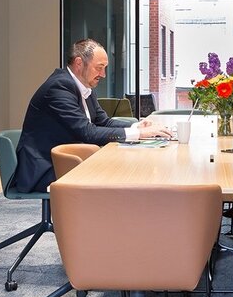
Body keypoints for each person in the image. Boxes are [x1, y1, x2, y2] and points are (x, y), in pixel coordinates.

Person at [13, 38, 170, 193]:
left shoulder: (85, 88)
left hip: (70, 159)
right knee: (118, 173)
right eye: (99, 68)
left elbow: (104, 122)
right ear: (79, 63)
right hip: (46, 168)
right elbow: (88, 133)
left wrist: (137, 126)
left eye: (105, 68)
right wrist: (139, 134)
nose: (103, 75)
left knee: (120, 168)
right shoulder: (59, 87)